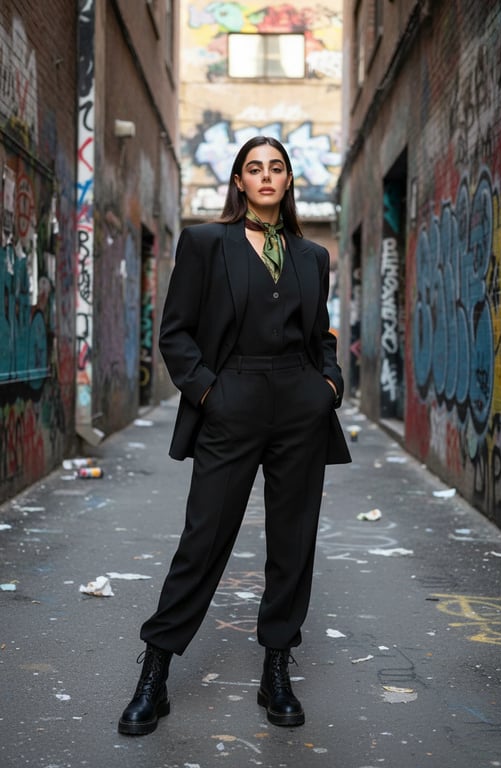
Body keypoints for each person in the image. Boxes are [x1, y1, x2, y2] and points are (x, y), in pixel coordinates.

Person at [118, 135, 351, 736]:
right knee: (204, 537)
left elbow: (320, 335)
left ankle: (276, 669)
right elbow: (176, 333)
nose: (266, 176)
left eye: (277, 167)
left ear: (290, 181)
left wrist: (328, 383)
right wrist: (208, 394)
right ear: (239, 182)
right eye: (255, 168)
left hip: (300, 403)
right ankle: (156, 673)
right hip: (231, 400)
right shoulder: (204, 244)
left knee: (292, 541)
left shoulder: (312, 256)